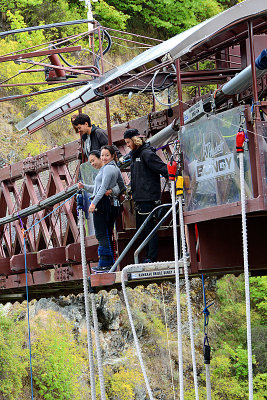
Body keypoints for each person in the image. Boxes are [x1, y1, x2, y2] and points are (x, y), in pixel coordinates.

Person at [124, 128, 169, 263]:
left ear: (134, 140)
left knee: (149, 228)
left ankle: (151, 257)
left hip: (148, 198)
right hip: (140, 197)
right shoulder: (135, 155)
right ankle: (147, 255)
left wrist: (176, 178)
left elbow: (162, 168)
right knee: (141, 229)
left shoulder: (146, 154)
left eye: (128, 142)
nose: (127, 145)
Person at [80, 145, 126, 273]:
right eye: (102, 155)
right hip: (108, 204)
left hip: (102, 204)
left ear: (112, 156)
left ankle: (105, 263)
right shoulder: (113, 168)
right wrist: (84, 187)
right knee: (106, 233)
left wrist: (93, 203)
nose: (104, 158)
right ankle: (108, 262)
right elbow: (119, 187)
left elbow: (102, 189)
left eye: (106, 155)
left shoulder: (108, 169)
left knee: (101, 234)